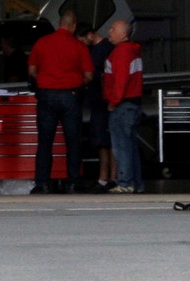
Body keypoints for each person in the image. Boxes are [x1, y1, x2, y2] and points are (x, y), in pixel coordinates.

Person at [27, 10, 93, 194]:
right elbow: (89, 75)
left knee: (45, 141)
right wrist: (78, 85)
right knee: (73, 141)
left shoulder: (42, 43)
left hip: (46, 95)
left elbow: (32, 69)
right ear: (73, 26)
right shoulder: (79, 47)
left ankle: (42, 183)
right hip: (70, 96)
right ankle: (73, 182)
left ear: (59, 23)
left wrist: (42, 81)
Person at [103, 20, 144, 194]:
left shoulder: (121, 52)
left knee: (121, 146)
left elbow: (120, 81)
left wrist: (113, 102)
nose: (109, 32)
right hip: (133, 104)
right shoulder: (133, 51)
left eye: (113, 29)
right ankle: (135, 183)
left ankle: (126, 182)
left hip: (122, 105)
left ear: (123, 34)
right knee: (130, 146)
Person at [76, 25, 117, 191]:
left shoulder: (105, 49)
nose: (82, 44)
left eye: (83, 40)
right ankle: (105, 177)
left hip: (104, 101)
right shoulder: (99, 50)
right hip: (98, 102)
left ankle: (110, 177)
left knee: (108, 141)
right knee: (102, 141)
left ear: (90, 35)